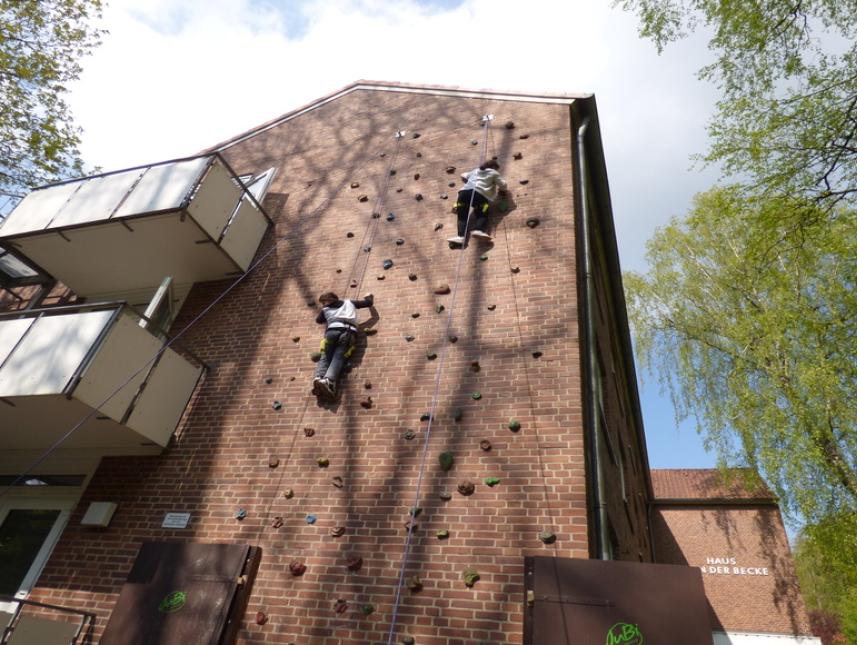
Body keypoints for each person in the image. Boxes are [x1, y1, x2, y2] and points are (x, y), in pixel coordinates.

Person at [312, 291, 375, 399]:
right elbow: (368, 303)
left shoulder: (325, 309)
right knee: (339, 356)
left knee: (325, 355)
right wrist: (369, 297)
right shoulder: (349, 302)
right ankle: (328, 380)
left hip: (331, 332)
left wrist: (328, 314)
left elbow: (318, 320)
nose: (324, 304)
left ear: (327, 301)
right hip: (347, 331)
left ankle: (319, 377)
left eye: (323, 302)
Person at [447, 159, 508, 245]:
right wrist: (503, 190)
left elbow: (463, 175)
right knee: (483, 211)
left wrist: (469, 178)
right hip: (479, 194)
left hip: (463, 194)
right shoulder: (493, 173)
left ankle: (461, 237)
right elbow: (503, 185)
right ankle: (478, 230)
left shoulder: (475, 170)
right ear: (493, 167)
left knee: (462, 216)